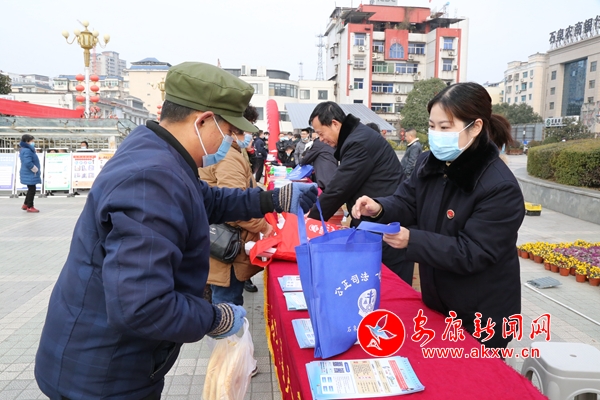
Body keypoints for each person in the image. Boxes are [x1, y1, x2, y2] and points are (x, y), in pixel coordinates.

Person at [35, 62, 317, 400]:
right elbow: (142, 305)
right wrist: (214, 317)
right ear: (203, 120)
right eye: (229, 131)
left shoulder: (157, 150)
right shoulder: (153, 177)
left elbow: (206, 199)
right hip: (104, 372)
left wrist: (272, 199)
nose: (230, 141)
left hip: (105, 356)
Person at [352, 82, 524, 350]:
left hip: (481, 313)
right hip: (438, 300)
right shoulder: (428, 163)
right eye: (432, 126)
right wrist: (379, 207)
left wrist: (412, 240)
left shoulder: (499, 187)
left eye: (445, 127)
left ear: (475, 127)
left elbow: (473, 252)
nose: (436, 134)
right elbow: (407, 201)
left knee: (472, 374)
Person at [306, 102, 411, 284]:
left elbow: (339, 188)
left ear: (335, 124)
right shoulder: (355, 137)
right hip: (376, 221)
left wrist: (312, 220)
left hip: (386, 226)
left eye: (321, 133)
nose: (321, 139)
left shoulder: (358, 142)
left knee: (390, 286)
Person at [199, 104, 272, 307]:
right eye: (244, 131)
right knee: (227, 305)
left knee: (222, 300)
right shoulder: (228, 158)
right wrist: (264, 227)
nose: (248, 136)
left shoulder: (225, 152)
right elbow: (234, 206)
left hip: (220, 243)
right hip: (228, 247)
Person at [19, 134, 41, 213]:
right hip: (30, 173)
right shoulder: (27, 150)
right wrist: (34, 168)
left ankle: (25, 204)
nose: (33, 142)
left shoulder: (26, 149)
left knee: (30, 189)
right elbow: (27, 162)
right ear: (27, 141)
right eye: (32, 141)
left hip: (29, 173)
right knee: (32, 190)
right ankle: (30, 206)